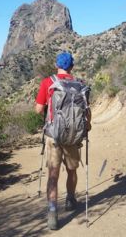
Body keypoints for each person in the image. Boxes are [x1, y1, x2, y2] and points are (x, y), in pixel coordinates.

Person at [35, 51, 91, 230]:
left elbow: (38, 110)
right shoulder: (80, 85)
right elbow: (87, 113)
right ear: (71, 67)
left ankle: (52, 213)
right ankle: (70, 199)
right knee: (72, 171)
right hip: (73, 137)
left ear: (57, 65)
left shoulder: (48, 83)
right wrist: (86, 127)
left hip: (54, 136)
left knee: (53, 175)